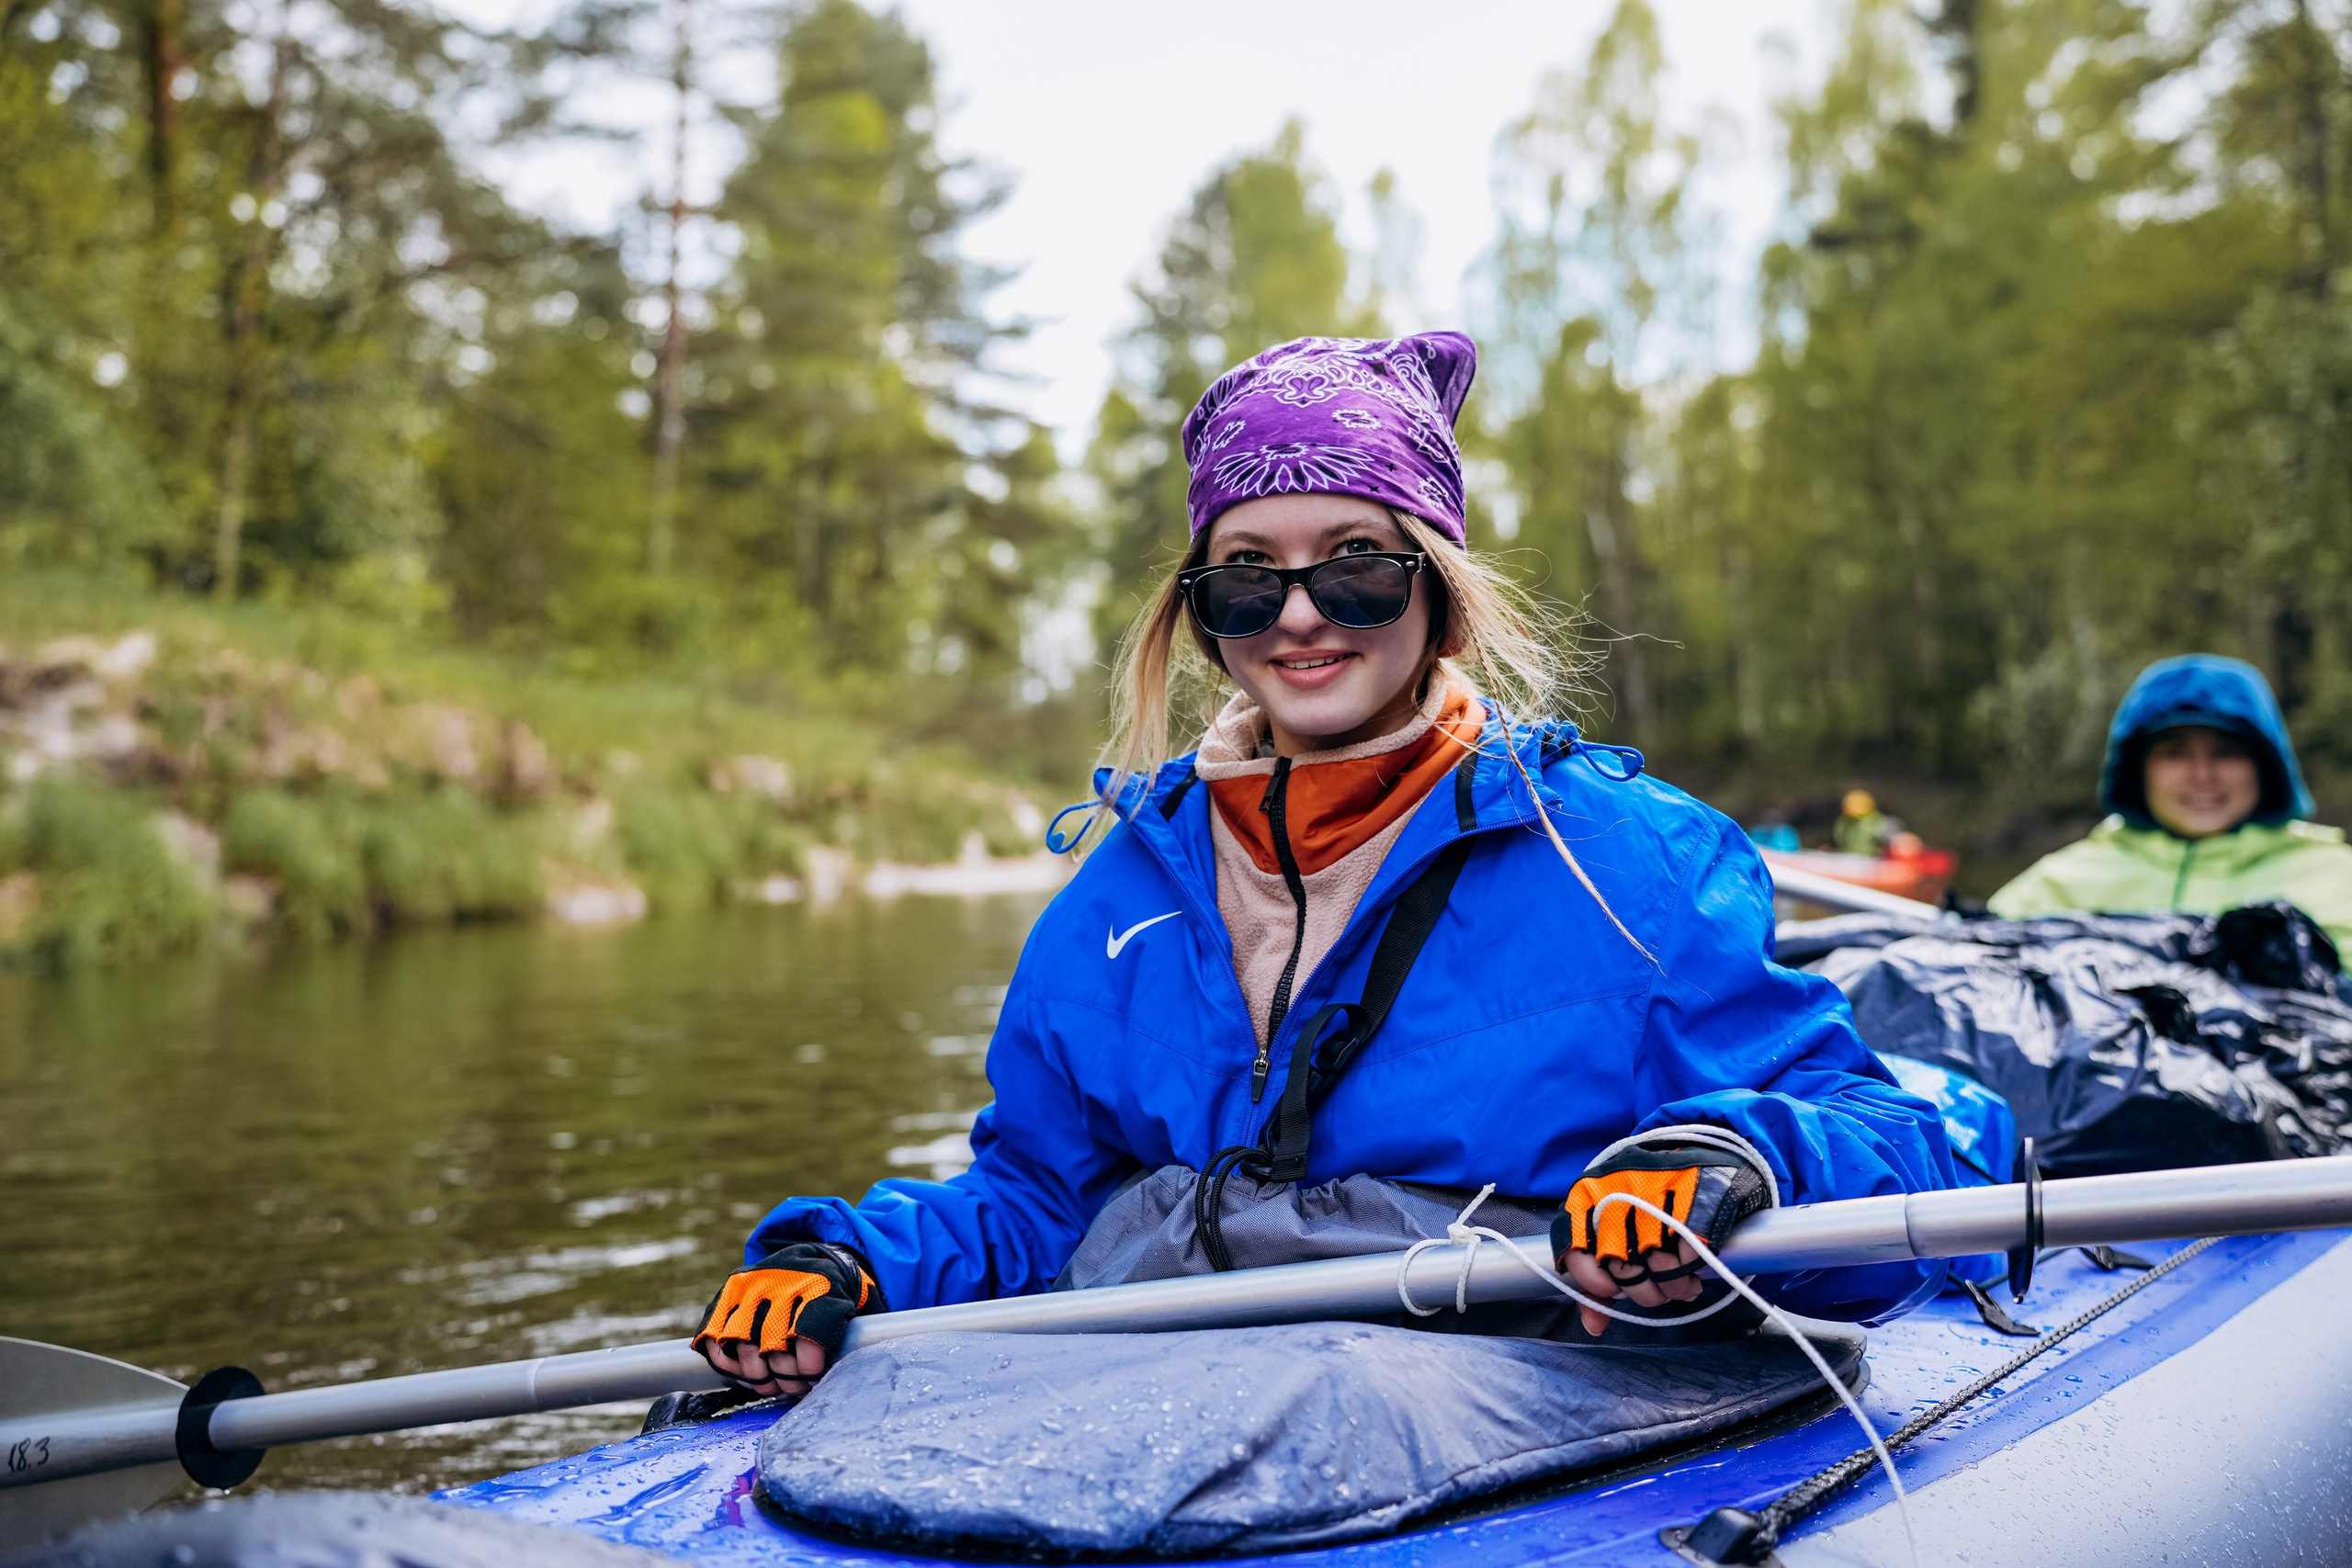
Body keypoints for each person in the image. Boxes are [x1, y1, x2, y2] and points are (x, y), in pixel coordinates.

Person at [693, 333, 1956, 1401]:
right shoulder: (1116, 895)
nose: (1299, 615)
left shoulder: (1633, 862)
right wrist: (848, 1257)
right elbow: (1038, 1201)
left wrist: (1727, 1159)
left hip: (1526, 1409)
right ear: (1200, 614)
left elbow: (1895, 1136)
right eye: (1247, 579)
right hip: (1198, 1415)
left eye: (1356, 565)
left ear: (1440, 589)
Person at [1989, 654, 2352, 953]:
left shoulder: (2339, 880)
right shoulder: (2058, 884)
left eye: (2226, 752)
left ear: (2265, 766)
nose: (2202, 775)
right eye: (2175, 753)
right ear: (2138, 769)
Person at [1831, 789, 1901, 856]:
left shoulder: (1877, 820)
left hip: (1871, 861)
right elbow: (1837, 839)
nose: (1852, 806)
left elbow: (1891, 843)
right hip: (1848, 860)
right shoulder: (1843, 821)